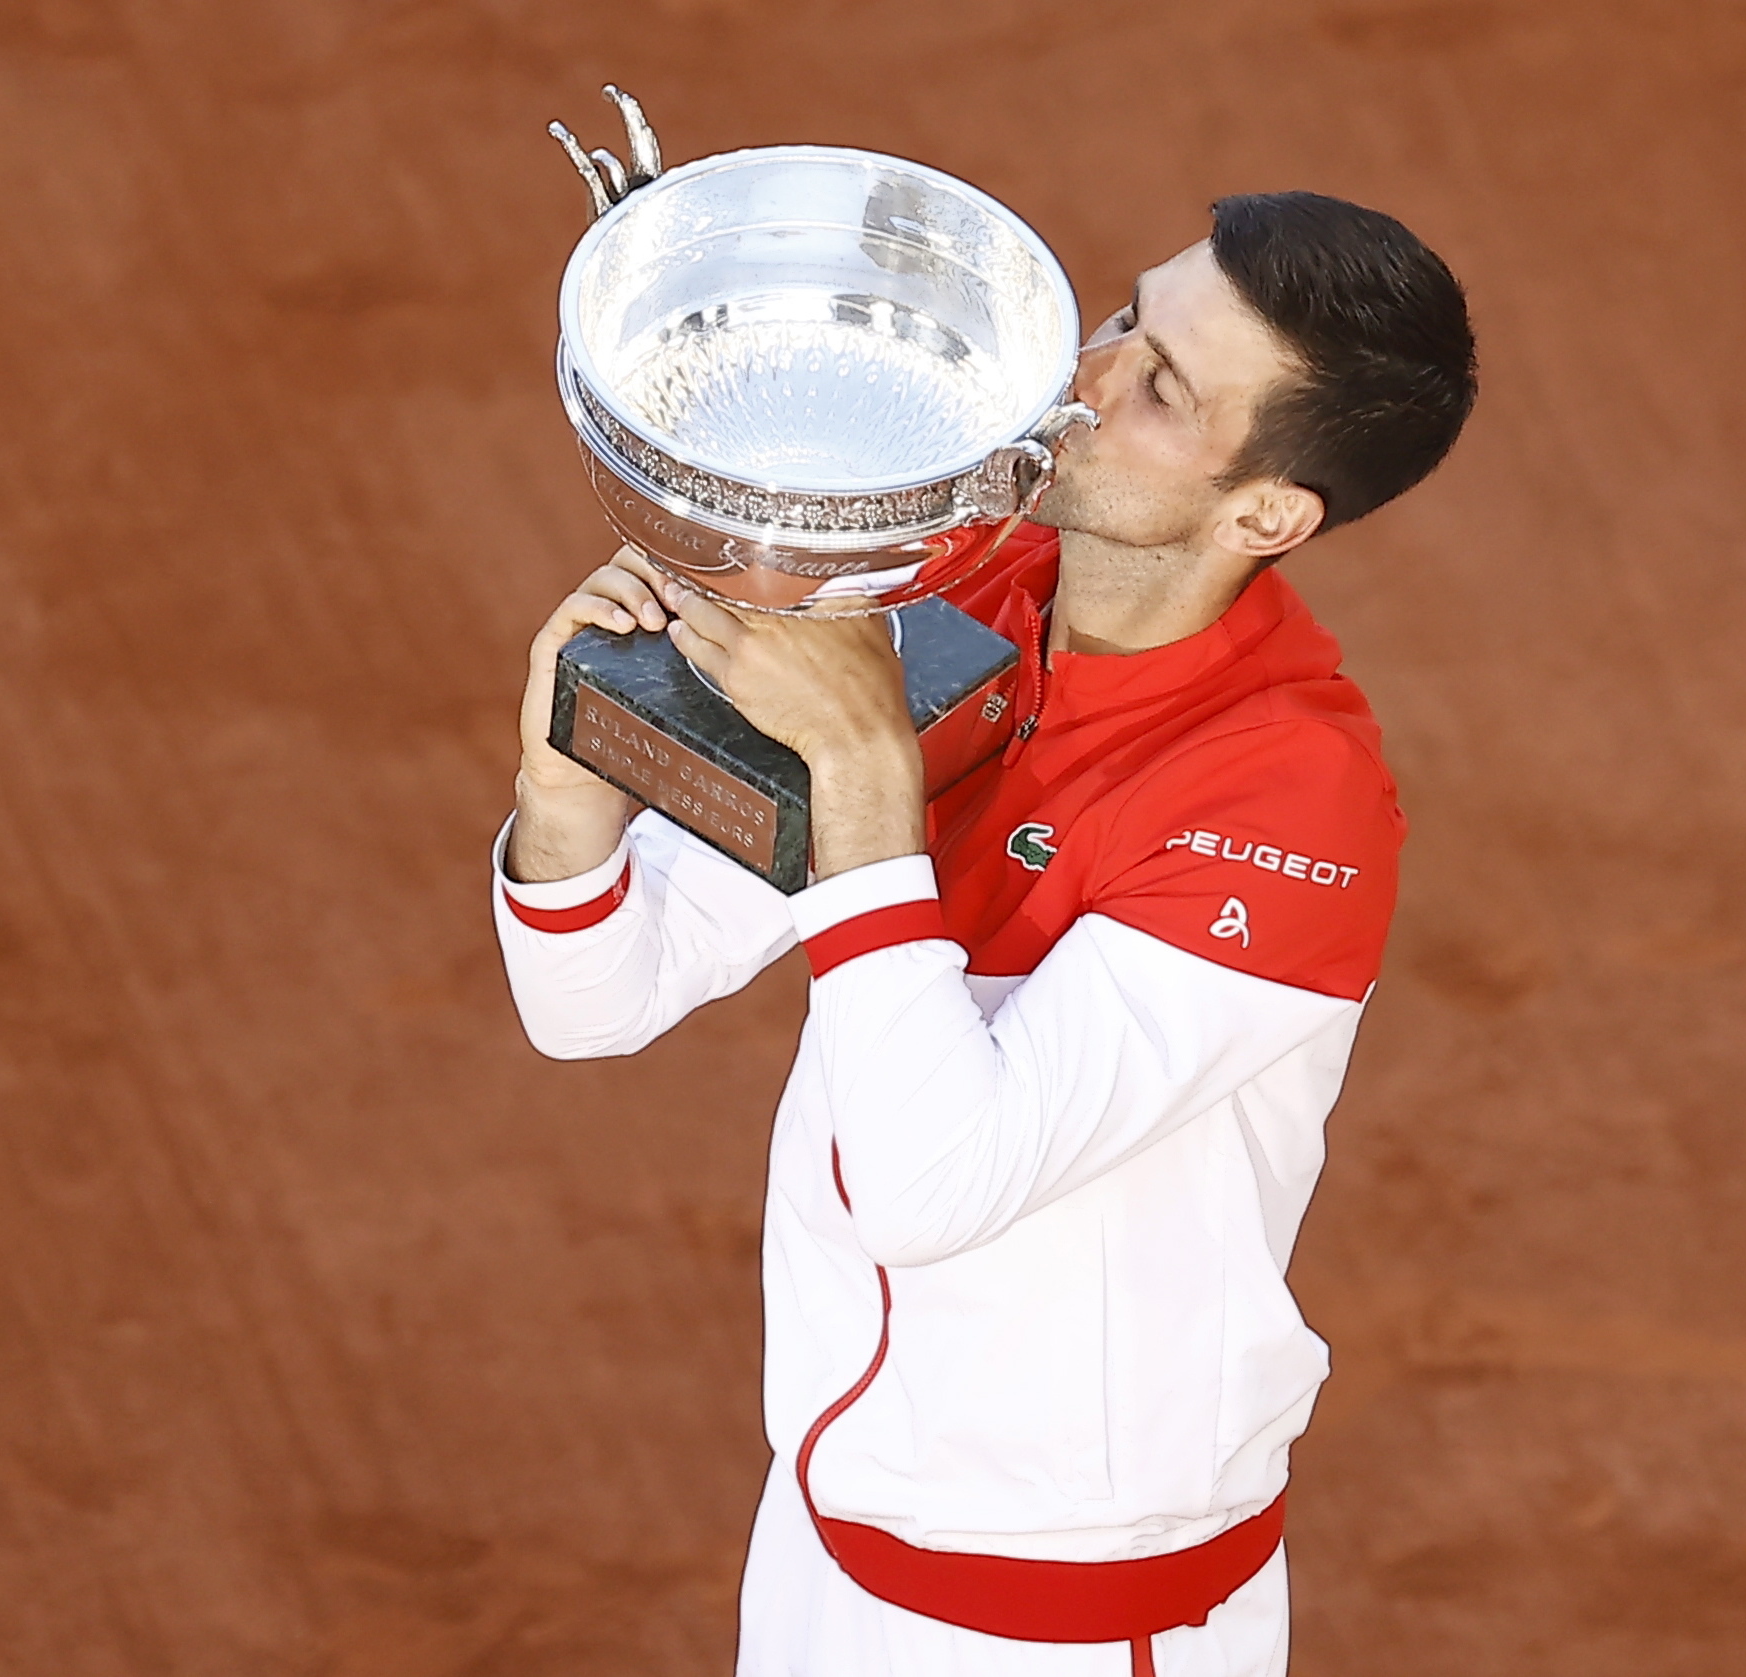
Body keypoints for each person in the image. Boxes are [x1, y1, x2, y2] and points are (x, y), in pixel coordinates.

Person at [491, 191, 1476, 1677]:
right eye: (1124, 317)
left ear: (1264, 514)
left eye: (1158, 390)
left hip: (1065, 1624)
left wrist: (868, 790)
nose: (1084, 379)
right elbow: (598, 998)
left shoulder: (1284, 797)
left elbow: (930, 1182)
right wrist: (564, 796)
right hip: (828, 1552)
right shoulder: (967, 591)